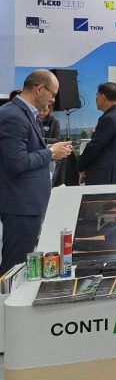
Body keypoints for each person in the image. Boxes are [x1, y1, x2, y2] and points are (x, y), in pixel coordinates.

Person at [0, 70, 73, 276]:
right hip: (20, 203)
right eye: (52, 94)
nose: (53, 100)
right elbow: (17, 162)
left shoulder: (23, 114)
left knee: (21, 263)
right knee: (14, 267)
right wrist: (50, 153)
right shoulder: (13, 116)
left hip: (27, 202)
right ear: (40, 89)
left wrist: (49, 150)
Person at [77, 82, 116, 185]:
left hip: (103, 176)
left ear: (103, 97)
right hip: (115, 174)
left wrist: (79, 166)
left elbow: (95, 147)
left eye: (97, 95)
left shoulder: (109, 118)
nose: (96, 99)